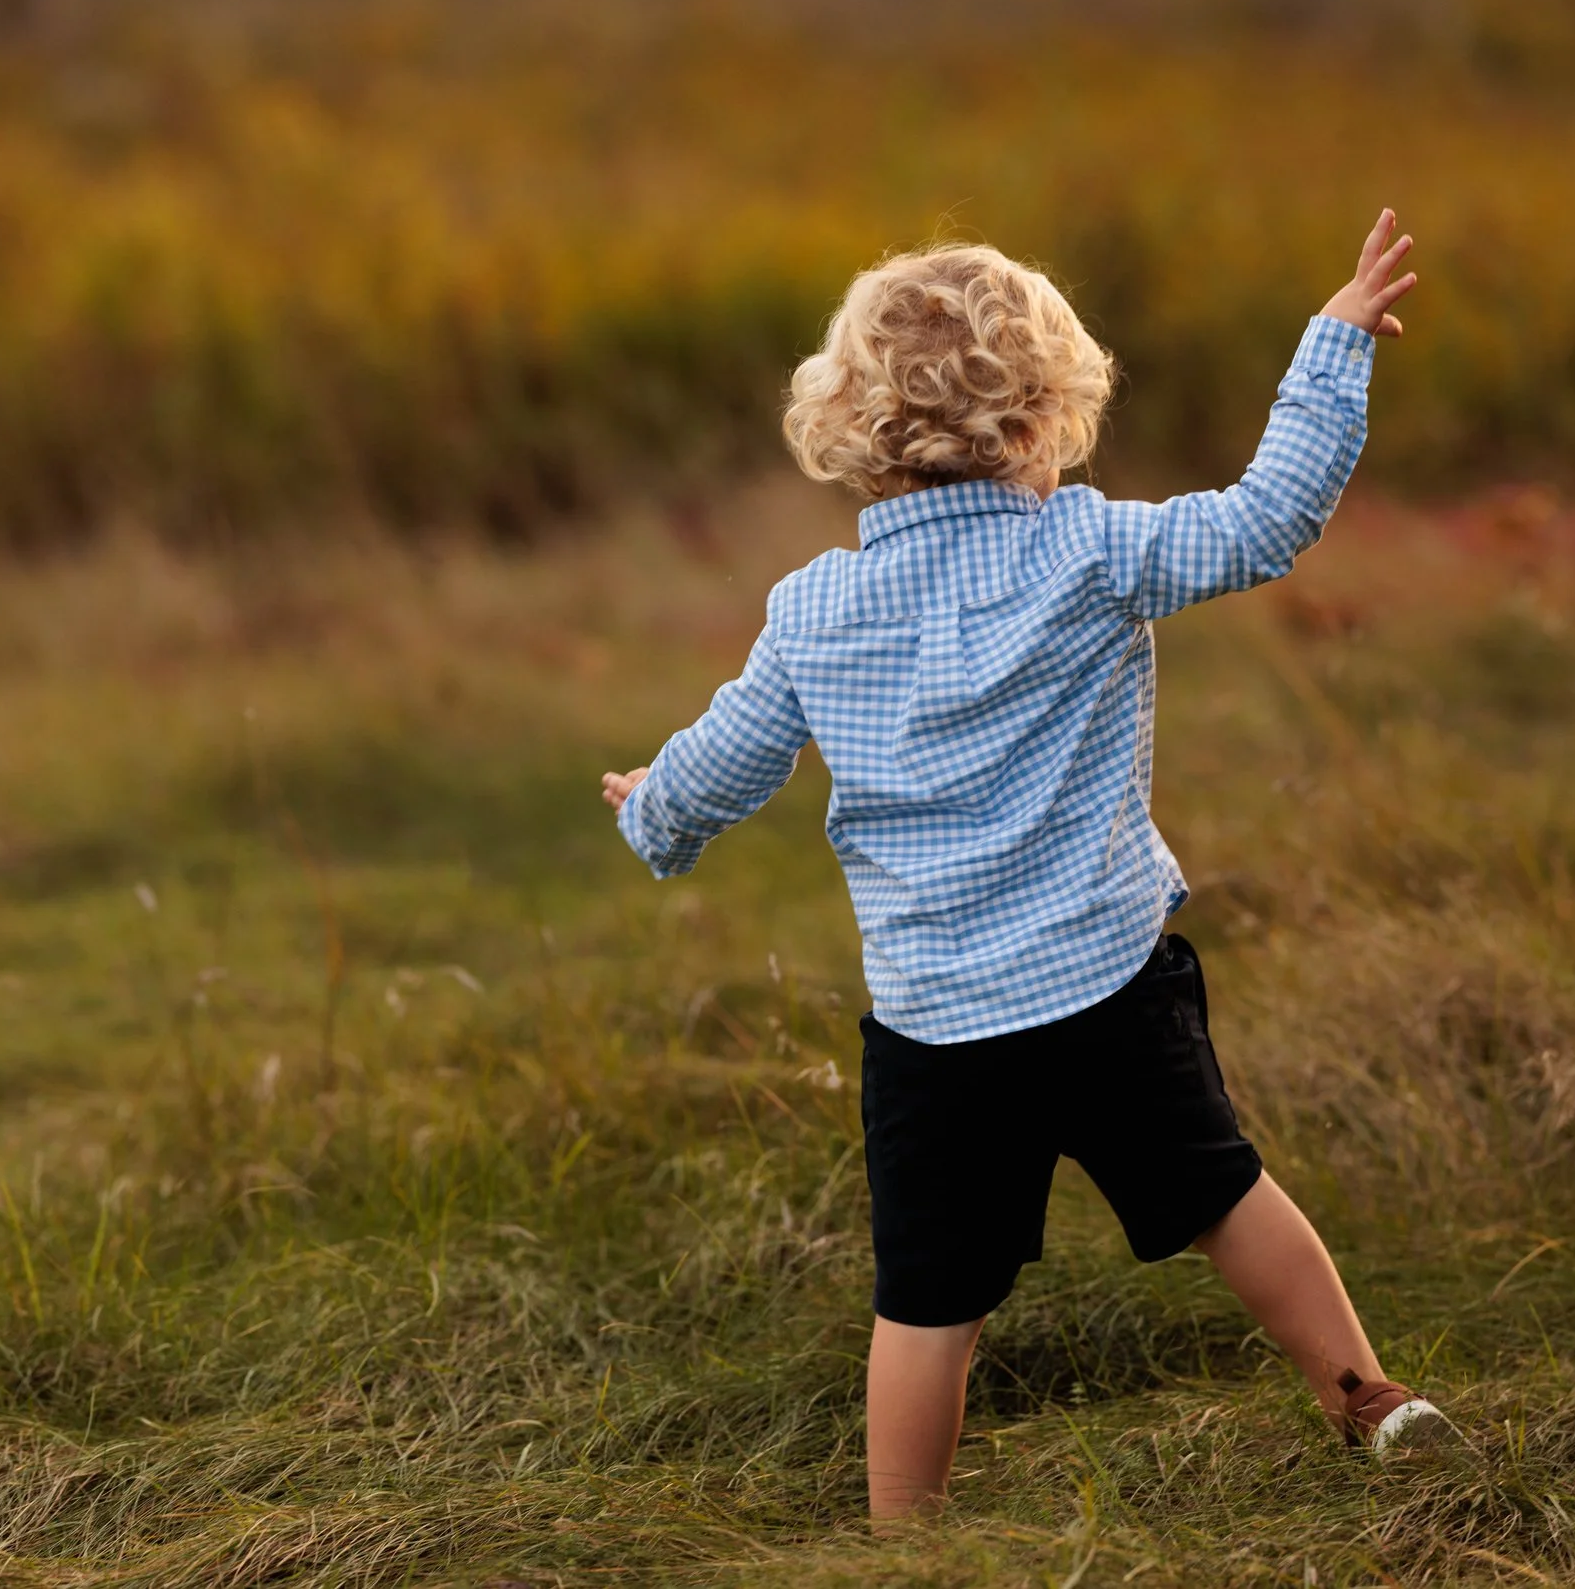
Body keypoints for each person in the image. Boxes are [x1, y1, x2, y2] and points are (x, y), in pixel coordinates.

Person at [601, 211, 1450, 1519]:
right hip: (1106, 987)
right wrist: (1333, 346)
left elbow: (722, 766)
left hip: (937, 1031)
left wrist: (650, 806)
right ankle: (1373, 1404)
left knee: (928, 1299)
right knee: (1225, 1193)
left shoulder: (811, 612)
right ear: (1043, 420)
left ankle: (905, 1535)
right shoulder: (1089, 549)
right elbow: (1267, 522)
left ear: (851, 430)